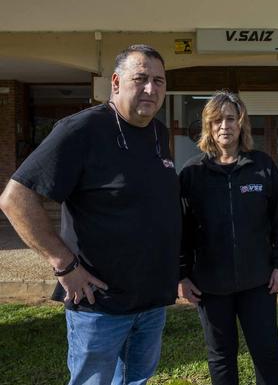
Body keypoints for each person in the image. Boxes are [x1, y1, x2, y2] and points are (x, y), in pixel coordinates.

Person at [0, 44, 180, 384]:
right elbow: (15, 198)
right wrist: (64, 264)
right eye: (140, 78)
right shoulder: (80, 130)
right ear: (115, 82)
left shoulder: (157, 132)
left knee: (136, 380)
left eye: (158, 81)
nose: (150, 89)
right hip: (100, 303)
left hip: (151, 300)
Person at [178, 91, 278, 385]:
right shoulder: (192, 173)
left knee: (266, 352)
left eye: (231, 118)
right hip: (210, 285)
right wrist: (182, 276)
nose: (224, 126)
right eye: (216, 120)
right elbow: (180, 231)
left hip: (259, 282)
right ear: (208, 126)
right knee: (220, 355)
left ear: (241, 123)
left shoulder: (262, 166)